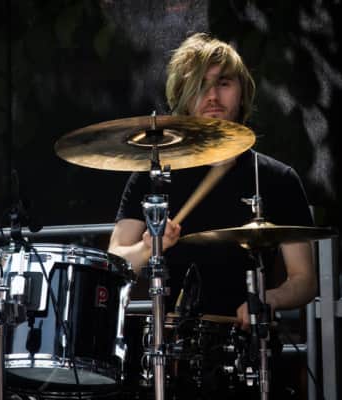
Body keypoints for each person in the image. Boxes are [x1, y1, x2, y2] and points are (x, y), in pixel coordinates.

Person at [108, 33, 316, 397]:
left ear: (242, 92)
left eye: (224, 83)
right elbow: (115, 261)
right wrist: (147, 247)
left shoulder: (275, 178)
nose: (213, 96)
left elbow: (305, 280)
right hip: (167, 349)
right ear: (183, 95)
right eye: (200, 85)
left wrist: (268, 300)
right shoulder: (153, 175)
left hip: (246, 350)